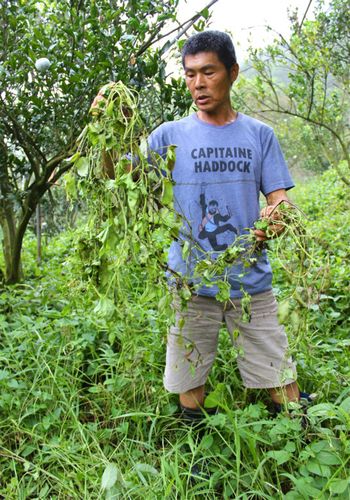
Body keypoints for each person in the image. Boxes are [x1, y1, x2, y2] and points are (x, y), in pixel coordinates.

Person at [147, 30, 309, 422]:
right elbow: (122, 179)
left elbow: (279, 199)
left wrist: (277, 218)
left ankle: (299, 439)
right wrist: (107, 126)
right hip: (190, 281)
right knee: (190, 380)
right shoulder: (167, 137)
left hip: (250, 279)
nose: (198, 84)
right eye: (189, 74)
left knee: (280, 378)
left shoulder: (259, 135)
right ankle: (196, 453)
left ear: (232, 72)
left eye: (208, 72)